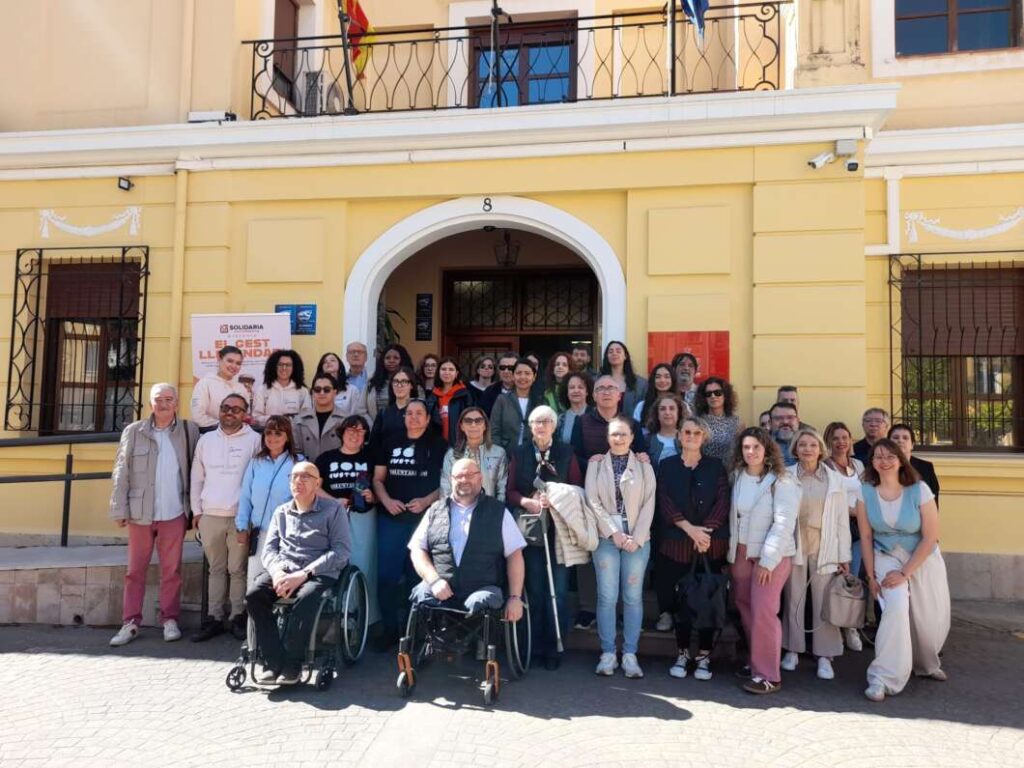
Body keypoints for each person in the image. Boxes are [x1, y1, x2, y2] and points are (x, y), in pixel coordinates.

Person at [856, 439, 950, 702]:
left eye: (890, 456)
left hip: (922, 558)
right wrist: (872, 576)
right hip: (886, 556)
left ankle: (926, 665)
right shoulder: (865, 491)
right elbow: (865, 535)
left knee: (926, 621)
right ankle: (883, 677)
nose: (884, 461)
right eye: (878, 456)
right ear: (871, 462)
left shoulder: (919, 490)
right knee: (896, 608)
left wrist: (906, 572)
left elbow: (931, 536)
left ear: (900, 459)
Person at [108, 384, 200, 647]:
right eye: (158, 400)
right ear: (150, 404)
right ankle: (130, 622)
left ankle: (169, 619)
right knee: (135, 571)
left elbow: (196, 469)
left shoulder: (188, 430)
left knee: (171, 570)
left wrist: (195, 510)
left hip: (174, 512)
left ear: (177, 404)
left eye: (169, 399)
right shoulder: (134, 431)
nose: (163, 404)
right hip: (140, 513)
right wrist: (119, 507)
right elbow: (121, 470)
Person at [245, 461, 351, 686]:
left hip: (319, 571)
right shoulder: (281, 512)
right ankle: (274, 662)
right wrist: (277, 573)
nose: (298, 481)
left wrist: (304, 574)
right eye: (294, 477)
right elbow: (270, 550)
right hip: (285, 570)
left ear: (318, 483)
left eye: (305, 477)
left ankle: (293, 664)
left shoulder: (333, 510)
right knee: (254, 595)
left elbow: (341, 551)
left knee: (306, 597)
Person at [506, 405, 584, 670]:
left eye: (546, 421)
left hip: (559, 530)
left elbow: (577, 488)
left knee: (558, 592)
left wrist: (557, 498)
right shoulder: (519, 453)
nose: (541, 426)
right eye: (536, 422)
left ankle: (555, 646)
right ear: (530, 427)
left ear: (554, 425)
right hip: (531, 530)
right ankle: (534, 645)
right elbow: (510, 491)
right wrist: (527, 501)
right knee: (536, 590)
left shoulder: (566, 452)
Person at [728, 427, 802, 694]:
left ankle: (769, 675)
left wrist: (768, 561)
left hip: (771, 556)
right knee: (745, 608)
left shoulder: (781, 481)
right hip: (741, 554)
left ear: (767, 449)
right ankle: (754, 661)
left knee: (763, 611)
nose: (751, 452)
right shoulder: (737, 477)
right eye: (746, 447)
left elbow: (784, 524)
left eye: (756, 447)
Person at [408, 458, 526, 624]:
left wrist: (515, 597)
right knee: (420, 593)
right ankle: (435, 645)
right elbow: (417, 550)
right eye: (459, 476)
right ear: (451, 480)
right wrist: (434, 580)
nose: (464, 480)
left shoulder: (498, 511)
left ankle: (471, 647)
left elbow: (515, 554)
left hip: (482, 588)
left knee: (478, 603)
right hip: (441, 585)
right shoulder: (435, 511)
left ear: (480, 478)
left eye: (470, 475)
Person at [656, 417, 729, 680]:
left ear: (704, 437)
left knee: (708, 601)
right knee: (681, 605)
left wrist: (705, 531)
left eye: (697, 433)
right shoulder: (666, 466)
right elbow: (663, 501)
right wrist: (691, 530)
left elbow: (723, 500)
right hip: (677, 545)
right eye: (687, 432)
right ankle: (683, 652)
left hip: (710, 546)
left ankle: (705, 657)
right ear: (679, 435)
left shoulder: (716, 466)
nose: (691, 436)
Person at [372, 400, 447, 649]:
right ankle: (390, 631)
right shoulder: (390, 442)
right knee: (387, 577)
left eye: (419, 414)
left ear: (427, 418)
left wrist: (426, 501)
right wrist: (387, 501)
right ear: (404, 417)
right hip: (391, 520)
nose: (414, 418)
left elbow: (446, 484)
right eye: (409, 413)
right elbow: (378, 479)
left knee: (417, 578)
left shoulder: (439, 445)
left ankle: (414, 633)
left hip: (423, 521)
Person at [587, 417, 656, 679]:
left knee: (632, 597)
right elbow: (592, 501)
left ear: (632, 437)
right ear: (607, 437)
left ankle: (629, 654)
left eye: (623, 434)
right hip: (607, 537)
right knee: (607, 596)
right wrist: (613, 533)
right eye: (614, 434)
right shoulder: (595, 465)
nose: (619, 439)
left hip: (637, 539)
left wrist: (636, 538)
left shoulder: (643, 465)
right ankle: (607, 653)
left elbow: (650, 501)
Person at [780, 429, 852, 681]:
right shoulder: (785, 476)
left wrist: (844, 556)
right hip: (795, 543)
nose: (808, 449)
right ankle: (792, 650)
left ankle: (825, 655)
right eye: (802, 445)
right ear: (795, 449)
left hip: (825, 545)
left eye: (813, 445)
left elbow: (843, 520)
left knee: (824, 600)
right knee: (794, 598)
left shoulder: (834, 480)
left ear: (821, 449)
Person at [190, 393, 262, 641]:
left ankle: (237, 617)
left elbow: (257, 481)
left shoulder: (255, 440)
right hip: (210, 514)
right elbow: (196, 477)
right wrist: (197, 511)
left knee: (238, 569)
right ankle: (214, 618)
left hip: (240, 516)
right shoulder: (205, 440)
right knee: (216, 569)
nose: (230, 412)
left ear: (245, 414)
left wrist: (251, 516)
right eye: (225, 407)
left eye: (236, 409)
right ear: (219, 410)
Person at [316, 415, 380, 625]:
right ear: (342, 432)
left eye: (360, 431)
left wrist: (373, 496)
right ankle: (335, 618)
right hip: (332, 517)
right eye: (350, 430)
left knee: (363, 565)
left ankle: (362, 619)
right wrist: (334, 500)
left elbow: (380, 485)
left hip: (363, 517)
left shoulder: (371, 457)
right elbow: (314, 488)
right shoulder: (326, 458)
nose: (355, 434)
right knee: (333, 566)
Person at [236, 415, 301, 589]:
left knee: (280, 585)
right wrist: (242, 526)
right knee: (254, 584)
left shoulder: (298, 463)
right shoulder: (255, 463)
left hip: (287, 535)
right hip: (260, 534)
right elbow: (245, 497)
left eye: (278, 433)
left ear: (287, 436)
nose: (272, 438)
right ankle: (254, 618)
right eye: (268, 433)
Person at [822, 420, 867, 653]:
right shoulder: (825, 466)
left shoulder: (859, 465)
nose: (841, 442)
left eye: (844, 437)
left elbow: (867, 492)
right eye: (835, 438)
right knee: (834, 578)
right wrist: (856, 512)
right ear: (828, 441)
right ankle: (835, 628)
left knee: (852, 577)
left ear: (851, 440)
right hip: (837, 527)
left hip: (859, 530)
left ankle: (850, 626)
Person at [572, 375, 647, 462]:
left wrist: (642, 457)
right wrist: (590, 462)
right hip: (590, 473)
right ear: (594, 396)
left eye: (611, 388)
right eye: (601, 388)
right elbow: (575, 457)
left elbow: (642, 455)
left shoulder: (632, 424)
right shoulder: (581, 422)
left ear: (619, 396)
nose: (606, 393)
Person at [440, 407, 508, 502]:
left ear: (485, 426)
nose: (473, 424)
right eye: (468, 421)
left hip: (490, 510)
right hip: (460, 512)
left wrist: (498, 512)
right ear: (462, 426)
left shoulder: (499, 453)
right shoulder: (451, 455)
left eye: (478, 421)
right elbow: (445, 489)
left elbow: (502, 489)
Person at [369, 366, 437, 447]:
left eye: (404, 381)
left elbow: (428, 442)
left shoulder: (421, 412)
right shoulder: (383, 413)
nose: (399, 385)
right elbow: (374, 443)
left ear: (411, 385)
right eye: (396, 381)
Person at [490, 357, 544, 454]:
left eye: (527, 373)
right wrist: (499, 453)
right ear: (513, 376)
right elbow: (494, 431)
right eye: (519, 373)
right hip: (506, 455)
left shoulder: (540, 402)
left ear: (534, 377)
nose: (523, 377)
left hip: (533, 455)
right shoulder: (502, 400)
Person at [291, 374, 348, 462]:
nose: (322, 393)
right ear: (312, 393)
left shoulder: (346, 420)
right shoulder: (299, 420)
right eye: (317, 389)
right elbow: (295, 451)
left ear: (335, 392)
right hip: (307, 471)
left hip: (336, 471)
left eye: (327, 390)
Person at [190, 345, 248, 430]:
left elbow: (245, 416)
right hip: (210, 436)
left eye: (238, 363)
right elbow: (197, 416)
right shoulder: (205, 383)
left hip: (239, 438)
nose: (234, 366)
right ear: (219, 359)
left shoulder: (241, 388)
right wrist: (226, 426)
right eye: (230, 361)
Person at [252, 349, 311, 426]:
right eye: (280, 364)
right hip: (270, 434)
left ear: (294, 368)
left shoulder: (302, 391)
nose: (284, 368)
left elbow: (307, 417)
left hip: (295, 435)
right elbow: (256, 417)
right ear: (274, 367)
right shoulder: (262, 390)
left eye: (288, 365)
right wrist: (280, 420)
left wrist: (291, 420)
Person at [694, 377, 742, 463]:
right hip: (704, 470)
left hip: (729, 471)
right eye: (708, 394)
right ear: (704, 398)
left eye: (717, 393)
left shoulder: (737, 422)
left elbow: (740, 451)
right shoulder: (697, 422)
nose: (713, 396)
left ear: (725, 395)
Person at [889, 423, 940, 504]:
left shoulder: (926, 468)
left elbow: (933, 500)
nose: (900, 440)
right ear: (888, 443)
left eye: (905, 438)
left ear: (912, 445)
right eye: (895, 437)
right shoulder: (881, 466)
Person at [429, 356, 472, 445]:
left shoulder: (465, 396)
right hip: (437, 446)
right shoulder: (432, 396)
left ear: (456, 373)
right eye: (443, 369)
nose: (447, 372)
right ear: (439, 372)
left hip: (459, 445)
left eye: (451, 369)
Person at [366, 343, 416, 418]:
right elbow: (363, 410)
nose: (391, 361)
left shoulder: (414, 381)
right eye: (387, 358)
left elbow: (419, 407)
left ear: (403, 359)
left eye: (396, 358)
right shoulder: (372, 382)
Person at [600, 341, 647, 417]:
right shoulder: (598, 381)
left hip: (631, 426)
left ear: (625, 356)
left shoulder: (641, 384)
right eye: (610, 351)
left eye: (618, 351)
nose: (614, 354)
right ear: (607, 356)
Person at [315, 351, 367, 416]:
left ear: (339, 365)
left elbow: (356, 415)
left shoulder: (352, 390)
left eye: (332, 360)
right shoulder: (316, 390)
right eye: (325, 362)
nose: (328, 362)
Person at [645, 393, 684, 466]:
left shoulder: (688, 438)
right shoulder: (647, 440)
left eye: (672, 408)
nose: (667, 412)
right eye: (663, 409)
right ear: (657, 414)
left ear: (679, 413)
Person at [557, 371, 593, 445]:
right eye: (572, 387)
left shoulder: (596, 415)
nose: (576, 390)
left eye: (580, 387)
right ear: (567, 392)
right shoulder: (561, 419)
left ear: (587, 392)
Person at [769, 401, 800, 466]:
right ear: (770, 423)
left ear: (797, 421)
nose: (785, 422)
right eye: (778, 418)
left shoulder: (810, 446)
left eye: (790, 417)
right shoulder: (761, 447)